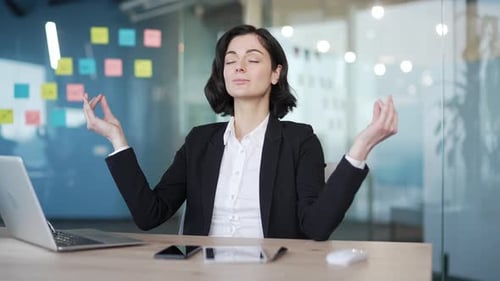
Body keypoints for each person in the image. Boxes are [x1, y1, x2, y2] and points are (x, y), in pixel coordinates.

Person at [83, 24, 397, 241]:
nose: (239, 67)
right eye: (231, 60)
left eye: (253, 59)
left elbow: (317, 227)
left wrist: (361, 147)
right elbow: (150, 214)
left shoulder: (300, 140)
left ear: (276, 73)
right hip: (202, 271)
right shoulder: (200, 141)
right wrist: (117, 140)